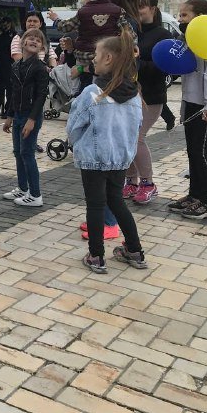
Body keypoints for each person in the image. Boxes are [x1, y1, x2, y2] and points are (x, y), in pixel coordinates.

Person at [67, 30, 146, 274]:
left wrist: (75, 144)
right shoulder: (134, 94)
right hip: (120, 159)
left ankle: (96, 255)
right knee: (116, 202)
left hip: (93, 158)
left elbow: (74, 125)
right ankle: (134, 250)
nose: (93, 60)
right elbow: (137, 126)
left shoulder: (93, 93)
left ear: (108, 58)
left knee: (95, 204)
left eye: (97, 55)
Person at [169, 0, 207, 219]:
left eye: (184, 15)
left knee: (202, 154)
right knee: (193, 153)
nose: (180, 19)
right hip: (191, 102)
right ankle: (194, 195)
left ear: (199, 17)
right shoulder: (189, 39)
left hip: (205, 106)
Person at [121, 0, 173, 205]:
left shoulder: (163, 35)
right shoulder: (130, 32)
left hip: (151, 96)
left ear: (152, 9)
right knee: (127, 139)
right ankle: (131, 181)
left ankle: (148, 183)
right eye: (135, 7)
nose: (138, 11)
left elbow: (166, 69)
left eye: (141, 6)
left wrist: (138, 62)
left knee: (136, 138)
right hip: (128, 94)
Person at [48, 0, 127, 94]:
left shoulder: (83, 12)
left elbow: (66, 27)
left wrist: (56, 19)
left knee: (83, 88)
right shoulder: (117, 11)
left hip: (84, 57)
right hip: (108, 58)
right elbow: (127, 31)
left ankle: (75, 96)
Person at [2, 27, 50, 206]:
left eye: (38, 40)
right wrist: (10, 116)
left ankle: (35, 194)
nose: (34, 41)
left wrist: (32, 120)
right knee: (18, 152)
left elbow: (41, 96)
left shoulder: (40, 68)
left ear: (42, 47)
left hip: (31, 116)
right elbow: (15, 93)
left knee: (27, 153)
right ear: (22, 42)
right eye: (30, 38)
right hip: (18, 115)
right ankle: (23, 188)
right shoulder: (16, 65)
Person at [0, 16, 16, 117]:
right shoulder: (0, 35)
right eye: (3, 23)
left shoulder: (14, 35)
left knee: (10, 89)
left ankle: (8, 110)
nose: (4, 25)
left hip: (9, 65)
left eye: (6, 23)